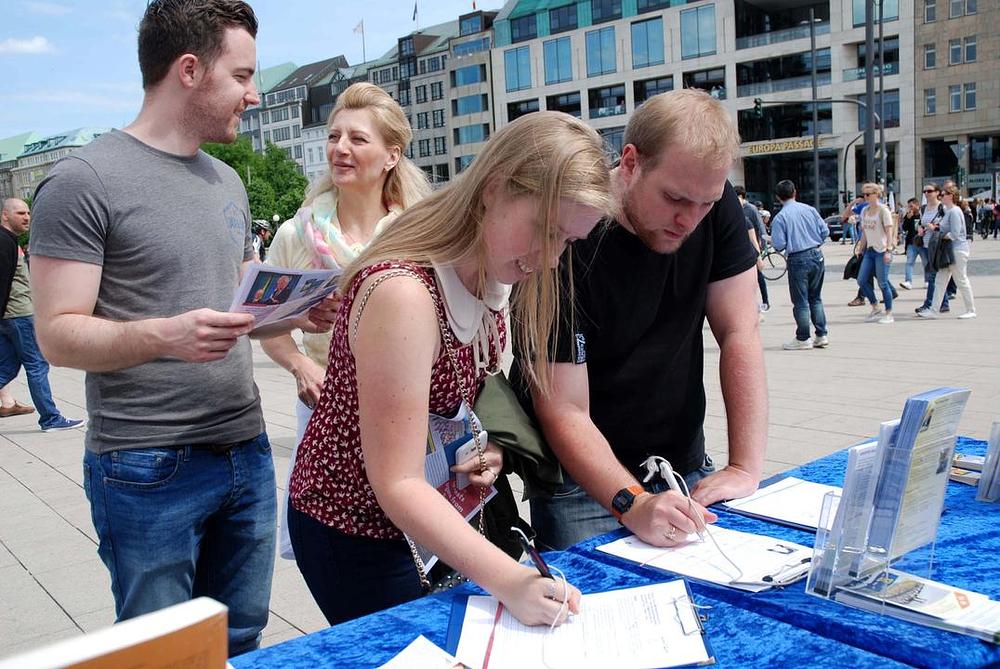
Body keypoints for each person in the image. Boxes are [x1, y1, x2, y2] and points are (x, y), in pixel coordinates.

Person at [28, 0, 336, 656]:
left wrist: (290, 310)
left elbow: (234, 306)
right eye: (243, 76)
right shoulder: (82, 181)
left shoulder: (226, 179)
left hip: (245, 448)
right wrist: (164, 335)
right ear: (190, 70)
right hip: (145, 463)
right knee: (167, 655)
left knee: (244, 639)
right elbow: (56, 333)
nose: (253, 95)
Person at [287, 111, 612, 626]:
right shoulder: (404, 292)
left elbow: (467, 392)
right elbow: (397, 482)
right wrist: (511, 579)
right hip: (353, 527)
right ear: (495, 189)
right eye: (548, 231)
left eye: (568, 242)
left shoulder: (492, 268)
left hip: (428, 519)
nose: (552, 258)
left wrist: (492, 446)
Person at [512, 89, 765, 553]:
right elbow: (563, 407)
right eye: (674, 199)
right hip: (581, 484)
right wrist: (632, 502)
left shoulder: (712, 197)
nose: (689, 220)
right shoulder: (565, 236)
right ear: (630, 162)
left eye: (705, 203)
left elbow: (739, 330)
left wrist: (745, 466)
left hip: (681, 460)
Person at [261, 81, 430, 560]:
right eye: (334, 137)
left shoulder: (421, 229)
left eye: (358, 139)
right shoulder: (297, 233)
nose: (340, 148)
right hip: (327, 409)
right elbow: (264, 324)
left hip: (407, 405)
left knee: (410, 534)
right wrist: (300, 363)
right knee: (340, 539)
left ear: (391, 155)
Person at [0, 198, 85, 431]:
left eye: (28, 212)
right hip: (18, 315)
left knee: (7, 367)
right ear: (5, 216)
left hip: (12, 316)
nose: (26, 217)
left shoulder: (9, 240)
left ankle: (50, 417)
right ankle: (50, 419)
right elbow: (3, 282)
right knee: (37, 365)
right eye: (20, 213)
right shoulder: (5, 241)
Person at [770, 179, 830, 349]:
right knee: (816, 298)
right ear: (794, 192)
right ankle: (821, 334)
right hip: (817, 254)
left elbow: (779, 244)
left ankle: (803, 337)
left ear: (778, 197)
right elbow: (825, 231)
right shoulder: (809, 209)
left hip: (797, 257)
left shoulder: (781, 217)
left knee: (801, 301)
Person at [917, 183, 976, 320]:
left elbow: (955, 234)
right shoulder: (947, 210)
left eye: (943, 194)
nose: (941, 196)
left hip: (957, 250)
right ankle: (934, 310)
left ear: (950, 196)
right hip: (948, 251)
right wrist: (936, 229)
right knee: (940, 280)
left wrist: (938, 233)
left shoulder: (954, 211)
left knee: (961, 280)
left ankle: (971, 309)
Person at [854, 183, 896, 324]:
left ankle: (889, 312)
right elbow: (865, 231)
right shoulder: (865, 211)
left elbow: (889, 231)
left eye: (868, 194)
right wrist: (860, 247)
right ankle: (875, 306)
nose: (865, 197)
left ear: (876, 194)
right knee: (861, 280)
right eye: (864, 194)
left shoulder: (883, 210)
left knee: (883, 283)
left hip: (882, 250)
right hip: (870, 250)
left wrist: (889, 250)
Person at [915, 183, 951, 315]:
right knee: (935, 276)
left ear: (937, 192)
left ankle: (929, 304)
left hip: (937, 246)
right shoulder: (924, 208)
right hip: (925, 245)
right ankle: (944, 303)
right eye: (924, 191)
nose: (926, 193)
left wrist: (935, 227)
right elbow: (920, 222)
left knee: (932, 276)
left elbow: (947, 226)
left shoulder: (943, 208)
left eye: (929, 191)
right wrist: (919, 228)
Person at [735, 185, 769, 314]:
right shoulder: (734, 209)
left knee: (759, 277)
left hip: (753, 248)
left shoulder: (751, 209)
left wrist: (761, 249)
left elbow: (760, 228)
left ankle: (765, 301)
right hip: (741, 250)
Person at [900, 197, 924, 290]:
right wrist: (908, 219)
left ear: (917, 205)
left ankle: (927, 281)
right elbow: (905, 228)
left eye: (911, 206)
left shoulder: (923, 215)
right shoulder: (908, 215)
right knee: (909, 263)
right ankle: (908, 281)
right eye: (909, 206)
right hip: (911, 243)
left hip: (922, 243)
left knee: (926, 263)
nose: (910, 208)